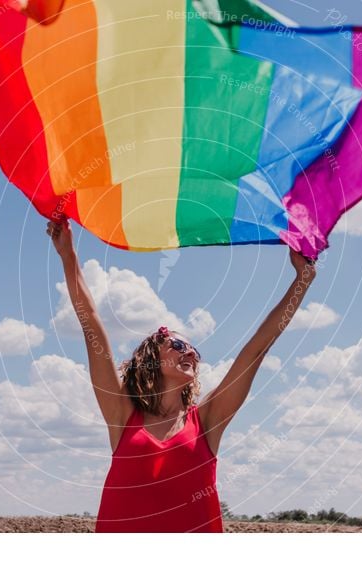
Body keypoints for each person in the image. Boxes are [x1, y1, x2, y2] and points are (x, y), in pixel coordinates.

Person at [46, 217, 316, 532]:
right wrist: (69, 257)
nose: (189, 353)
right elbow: (91, 322)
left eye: (194, 352)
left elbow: (256, 350)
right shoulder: (122, 415)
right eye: (176, 345)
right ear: (150, 359)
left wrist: (302, 280)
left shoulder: (207, 421)